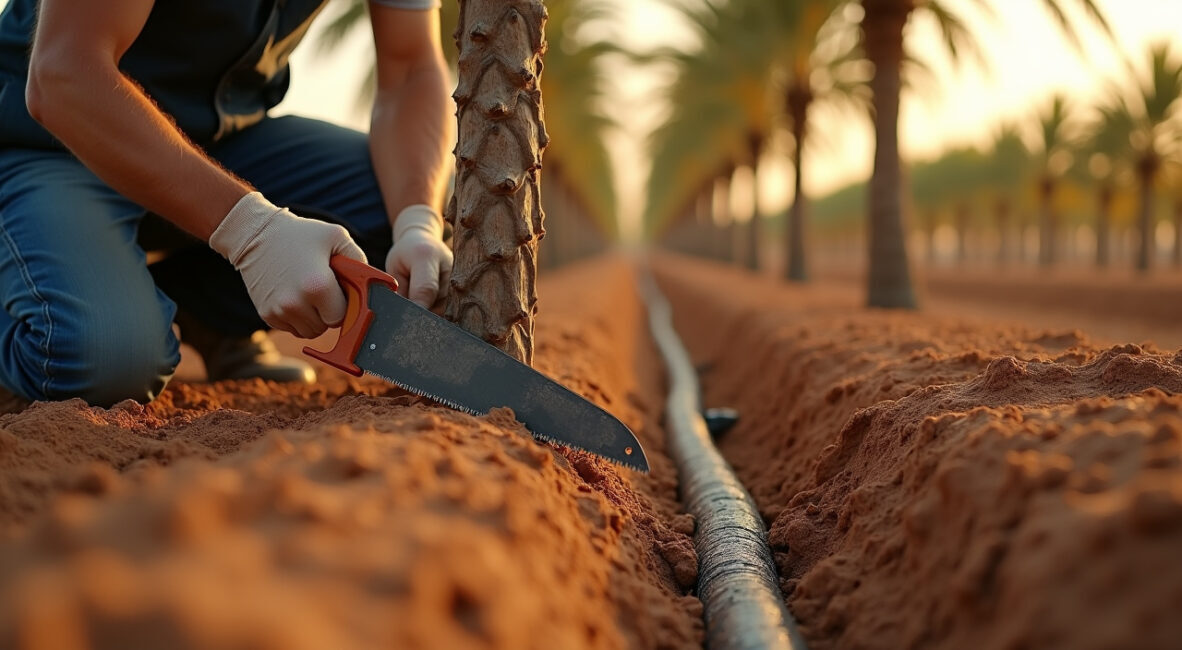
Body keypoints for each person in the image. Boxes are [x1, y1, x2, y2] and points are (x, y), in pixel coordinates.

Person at [0, 0, 455, 406]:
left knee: (392, 206)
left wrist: (416, 220)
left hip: (222, 146)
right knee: (103, 361)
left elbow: (410, 70)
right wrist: (253, 232)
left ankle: (197, 315)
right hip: (47, 146)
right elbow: (65, 74)